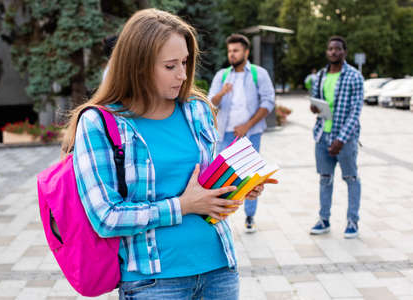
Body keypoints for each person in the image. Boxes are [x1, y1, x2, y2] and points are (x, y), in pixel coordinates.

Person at [62, 9, 275, 300]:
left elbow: (207, 185)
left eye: (185, 62)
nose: (183, 74)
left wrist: (238, 187)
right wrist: (183, 205)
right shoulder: (99, 123)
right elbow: (106, 217)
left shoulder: (196, 110)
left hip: (219, 272)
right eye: (170, 66)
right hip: (155, 283)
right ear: (137, 66)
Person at [207, 33, 275, 233]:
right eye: (229, 51)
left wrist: (248, 125)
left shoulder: (258, 74)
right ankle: (220, 217)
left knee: (251, 177)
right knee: (222, 177)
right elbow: (210, 102)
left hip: (251, 134)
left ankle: (250, 216)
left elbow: (268, 102)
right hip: (225, 135)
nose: (232, 54)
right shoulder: (222, 75)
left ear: (246, 52)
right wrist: (221, 93)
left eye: (236, 51)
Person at [309, 36, 364, 239]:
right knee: (325, 179)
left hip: (346, 138)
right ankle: (324, 219)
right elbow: (316, 103)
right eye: (330, 48)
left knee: (351, 178)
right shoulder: (321, 75)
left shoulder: (354, 76)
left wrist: (341, 140)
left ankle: (352, 221)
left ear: (344, 52)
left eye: (338, 49)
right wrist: (314, 107)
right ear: (327, 51)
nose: (333, 52)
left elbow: (355, 111)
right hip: (322, 135)